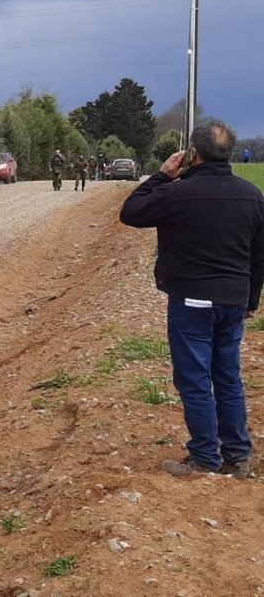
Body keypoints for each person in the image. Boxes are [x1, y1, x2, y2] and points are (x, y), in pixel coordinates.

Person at [119, 119, 261, 480]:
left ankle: (204, 458)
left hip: (192, 302)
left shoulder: (177, 193)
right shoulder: (251, 195)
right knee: (227, 376)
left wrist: (162, 175)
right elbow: (259, 256)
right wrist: (251, 300)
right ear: (229, 153)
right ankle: (238, 457)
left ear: (192, 154)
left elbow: (131, 212)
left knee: (195, 378)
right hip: (234, 300)